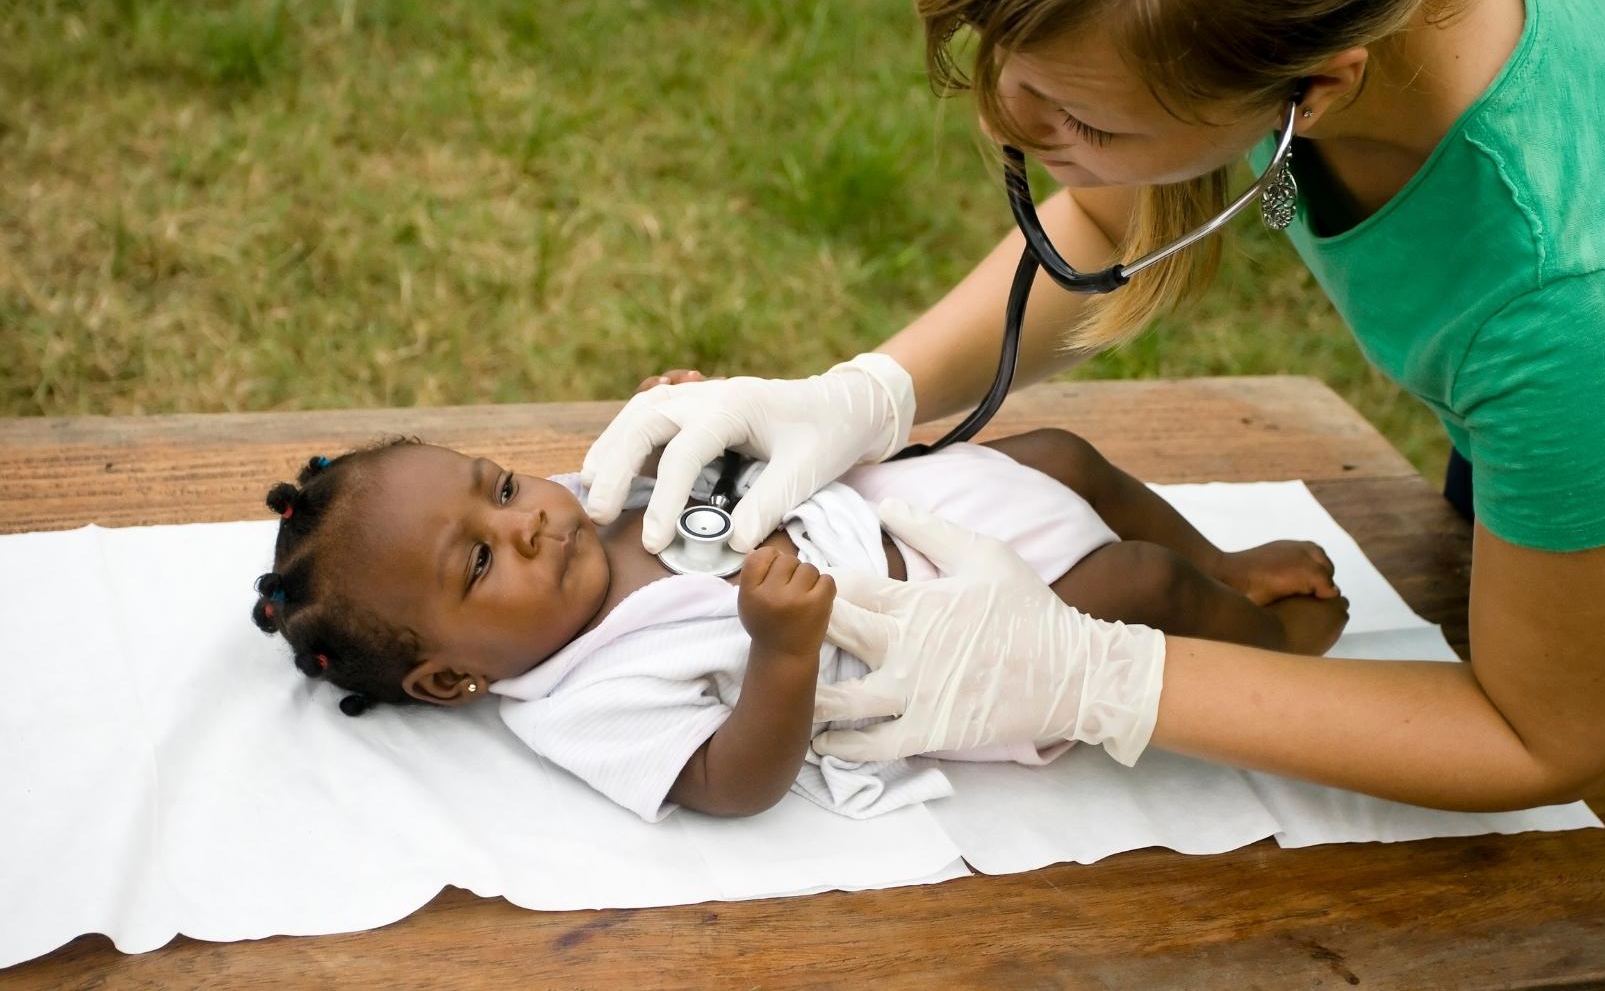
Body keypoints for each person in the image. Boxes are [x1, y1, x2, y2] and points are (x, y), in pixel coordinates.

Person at [581, 0, 1605, 812]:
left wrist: (1103, 679)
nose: (1004, 122)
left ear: (1317, 89)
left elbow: (1544, 736)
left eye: (1086, 122)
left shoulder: (1560, 307)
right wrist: (866, 395)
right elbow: (1110, 215)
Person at [248, 425, 1345, 820]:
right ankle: (1279, 657)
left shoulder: (595, 500)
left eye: (498, 485)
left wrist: (694, 415)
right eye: (479, 561)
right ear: (451, 678)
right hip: (955, 640)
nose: (528, 521)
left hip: (912, 512)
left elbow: (725, 463)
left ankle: (1228, 564)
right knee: (1144, 588)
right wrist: (783, 653)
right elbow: (732, 785)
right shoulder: (580, 700)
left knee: (1062, 456)